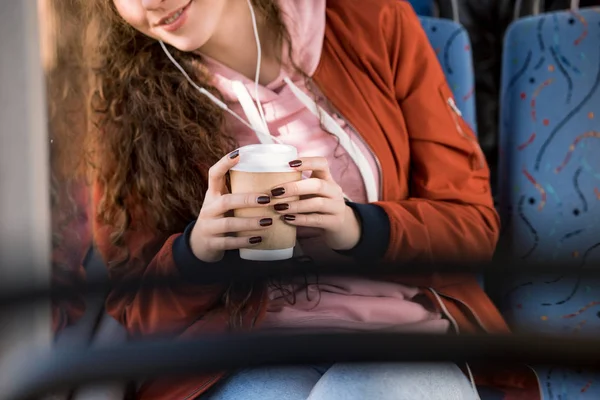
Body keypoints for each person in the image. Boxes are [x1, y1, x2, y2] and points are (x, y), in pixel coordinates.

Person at [74, 0, 540, 399]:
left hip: (397, 334)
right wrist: (197, 254)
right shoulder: (127, 102)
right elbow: (132, 309)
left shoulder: (369, 19)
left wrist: (358, 229)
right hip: (238, 356)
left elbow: (472, 226)